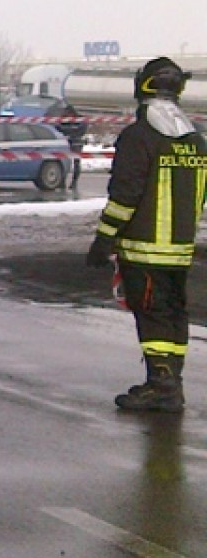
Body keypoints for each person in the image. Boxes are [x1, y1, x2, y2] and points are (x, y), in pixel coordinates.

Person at [85, 56, 207, 412]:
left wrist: (103, 240)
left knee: (152, 315)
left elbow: (124, 196)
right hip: (179, 251)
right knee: (173, 314)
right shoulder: (196, 141)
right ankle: (172, 383)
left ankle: (161, 386)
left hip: (144, 250)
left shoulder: (138, 138)